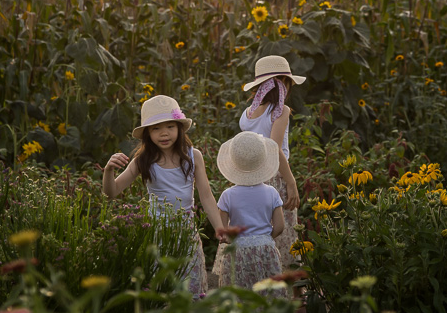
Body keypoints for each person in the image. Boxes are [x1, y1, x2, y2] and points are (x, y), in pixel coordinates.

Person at [102, 94, 223, 294]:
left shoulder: (193, 156)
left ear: (179, 128)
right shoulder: (143, 160)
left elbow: (206, 196)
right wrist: (108, 171)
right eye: (156, 128)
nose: (164, 133)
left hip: (186, 233)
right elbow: (112, 192)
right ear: (147, 133)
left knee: (189, 289)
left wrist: (219, 227)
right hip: (159, 234)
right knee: (163, 290)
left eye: (170, 126)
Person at [237, 55, 305, 269]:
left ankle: (254, 275)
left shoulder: (246, 114)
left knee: (254, 227)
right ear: (285, 83)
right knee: (282, 229)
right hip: (274, 176)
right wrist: (291, 182)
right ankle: (287, 283)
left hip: (248, 176)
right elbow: (274, 149)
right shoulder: (281, 111)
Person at [211, 131, 284, 289]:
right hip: (266, 248)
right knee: (269, 294)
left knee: (240, 294)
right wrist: (264, 238)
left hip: (238, 250)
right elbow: (279, 227)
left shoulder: (228, 195)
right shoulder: (272, 192)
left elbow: (222, 232)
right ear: (263, 160)